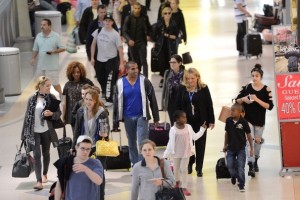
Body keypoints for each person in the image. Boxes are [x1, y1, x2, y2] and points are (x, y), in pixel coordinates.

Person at [113, 61, 160, 165]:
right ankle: (135, 164)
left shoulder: (144, 81)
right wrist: (115, 123)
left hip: (141, 116)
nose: (136, 71)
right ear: (127, 70)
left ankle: (142, 163)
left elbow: (152, 99)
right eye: (133, 69)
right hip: (127, 117)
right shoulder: (120, 83)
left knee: (142, 142)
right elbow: (116, 103)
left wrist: (156, 118)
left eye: (137, 68)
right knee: (131, 142)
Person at [21, 76, 61, 190]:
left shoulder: (51, 97)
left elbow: (58, 114)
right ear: (40, 86)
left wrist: (51, 114)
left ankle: (44, 173)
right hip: (34, 132)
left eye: (50, 85)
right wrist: (23, 134)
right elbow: (27, 117)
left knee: (46, 153)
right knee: (37, 155)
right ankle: (39, 181)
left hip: (46, 131)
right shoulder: (32, 99)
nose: (50, 87)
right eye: (47, 86)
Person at [235, 64, 273, 176]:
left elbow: (270, 106)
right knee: (249, 142)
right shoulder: (247, 87)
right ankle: (251, 165)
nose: (254, 78)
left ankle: (255, 160)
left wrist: (256, 99)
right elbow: (236, 100)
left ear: (261, 76)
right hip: (248, 120)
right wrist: (243, 99)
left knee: (257, 142)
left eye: (256, 75)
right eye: (253, 75)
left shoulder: (267, 89)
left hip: (260, 121)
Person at [177, 68, 215, 177]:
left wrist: (211, 120)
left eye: (192, 78)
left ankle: (199, 168)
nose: (190, 81)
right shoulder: (182, 88)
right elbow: (178, 105)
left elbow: (209, 104)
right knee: (187, 145)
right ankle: (189, 163)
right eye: (188, 78)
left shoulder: (203, 88)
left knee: (200, 145)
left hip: (201, 122)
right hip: (186, 122)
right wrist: (178, 120)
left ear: (197, 77)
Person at [73, 88, 109, 200]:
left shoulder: (102, 113)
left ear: (95, 101)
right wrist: (74, 147)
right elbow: (77, 131)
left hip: (97, 147)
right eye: (86, 99)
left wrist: (104, 134)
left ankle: (100, 197)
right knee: (83, 174)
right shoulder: (80, 112)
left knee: (99, 174)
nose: (88, 102)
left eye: (91, 100)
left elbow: (106, 133)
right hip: (83, 147)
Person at [163, 110, 207, 196]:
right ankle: (177, 183)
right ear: (177, 119)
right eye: (183, 117)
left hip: (186, 153)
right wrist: (166, 154)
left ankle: (184, 187)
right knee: (176, 169)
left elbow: (194, 137)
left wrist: (202, 130)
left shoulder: (188, 127)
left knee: (184, 169)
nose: (185, 119)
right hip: (176, 153)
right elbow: (170, 143)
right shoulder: (173, 129)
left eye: (185, 117)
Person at [91, 13, 125, 107]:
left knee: (109, 79)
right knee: (100, 77)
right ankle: (106, 92)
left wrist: (121, 63)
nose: (107, 22)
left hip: (111, 60)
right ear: (103, 21)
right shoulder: (98, 31)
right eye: (106, 20)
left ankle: (109, 99)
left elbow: (120, 49)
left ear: (112, 22)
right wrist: (92, 57)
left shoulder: (115, 34)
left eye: (109, 21)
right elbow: (93, 44)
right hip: (99, 59)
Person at [54, 135, 103, 200]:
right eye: (82, 148)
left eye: (88, 149)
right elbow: (59, 184)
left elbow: (99, 181)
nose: (85, 152)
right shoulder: (67, 162)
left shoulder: (95, 163)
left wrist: (85, 169)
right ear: (76, 147)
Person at [223, 103, 254, 192]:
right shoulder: (228, 121)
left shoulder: (244, 122)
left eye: (233, 110)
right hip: (230, 148)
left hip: (241, 149)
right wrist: (225, 145)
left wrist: (251, 149)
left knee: (240, 167)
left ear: (240, 112)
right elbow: (227, 133)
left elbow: (249, 136)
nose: (231, 112)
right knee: (230, 165)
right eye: (231, 110)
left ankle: (241, 185)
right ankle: (233, 175)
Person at [31, 18, 65, 97]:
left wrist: (53, 52)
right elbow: (35, 49)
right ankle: (42, 96)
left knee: (54, 83)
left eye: (44, 25)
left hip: (52, 66)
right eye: (41, 25)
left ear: (49, 26)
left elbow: (63, 48)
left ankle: (61, 94)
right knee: (39, 82)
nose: (42, 26)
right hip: (41, 66)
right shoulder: (38, 36)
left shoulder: (55, 36)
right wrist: (33, 58)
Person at [62, 61, 94, 132]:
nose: (76, 74)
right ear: (70, 73)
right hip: (73, 116)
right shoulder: (67, 85)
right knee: (76, 136)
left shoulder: (87, 82)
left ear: (81, 72)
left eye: (78, 72)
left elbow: (96, 93)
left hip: (86, 114)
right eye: (74, 72)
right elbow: (64, 102)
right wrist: (63, 116)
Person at [122, 2, 152, 78]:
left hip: (142, 42)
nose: (137, 10)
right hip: (132, 43)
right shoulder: (128, 18)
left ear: (141, 9)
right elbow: (124, 31)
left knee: (144, 61)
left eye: (138, 8)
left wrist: (149, 35)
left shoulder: (144, 17)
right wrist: (129, 40)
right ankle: (136, 77)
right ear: (133, 8)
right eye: (135, 8)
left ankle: (145, 79)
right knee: (134, 61)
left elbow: (149, 28)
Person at [153, 5, 179, 88]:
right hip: (161, 47)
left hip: (170, 47)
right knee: (162, 63)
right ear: (162, 14)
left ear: (171, 14)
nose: (167, 15)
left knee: (171, 63)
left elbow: (175, 36)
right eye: (165, 13)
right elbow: (155, 34)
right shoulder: (159, 23)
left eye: (169, 13)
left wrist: (166, 35)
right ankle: (163, 79)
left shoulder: (174, 23)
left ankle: (171, 80)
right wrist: (155, 42)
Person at [161, 54, 185, 125]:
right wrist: (163, 103)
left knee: (182, 123)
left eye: (174, 62)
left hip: (181, 102)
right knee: (173, 123)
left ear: (180, 63)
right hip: (170, 102)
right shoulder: (167, 72)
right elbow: (165, 88)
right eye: (170, 62)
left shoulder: (185, 73)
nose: (172, 64)